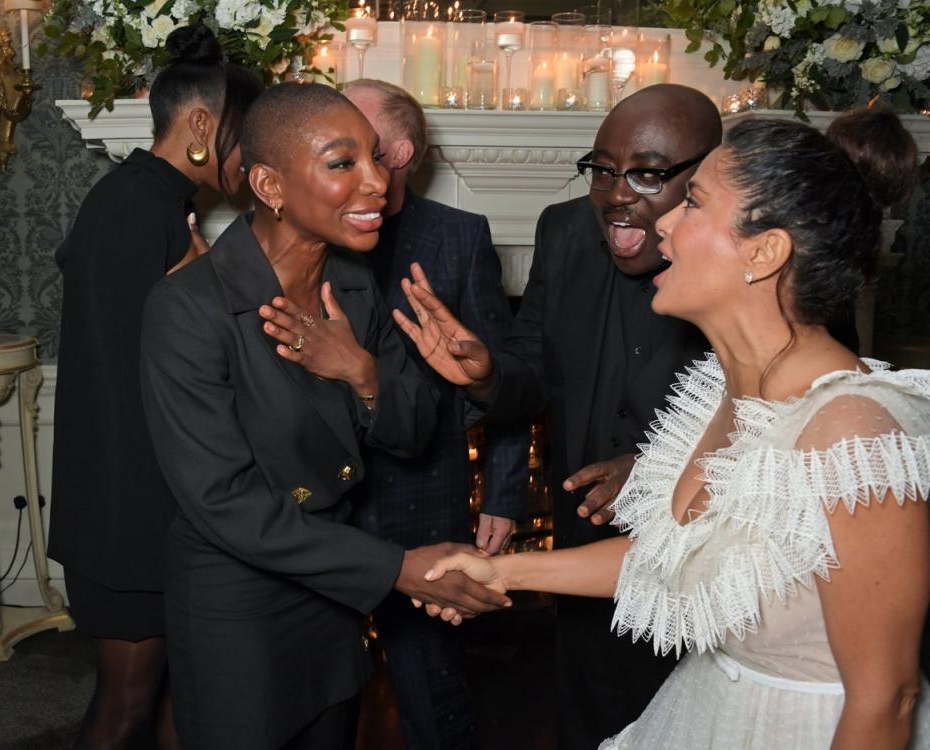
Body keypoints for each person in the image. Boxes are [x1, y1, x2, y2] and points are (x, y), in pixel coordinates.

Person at [417, 110, 930, 749]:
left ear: (764, 252)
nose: (662, 221)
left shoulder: (851, 432)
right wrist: (504, 572)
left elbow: (886, 699)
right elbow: (680, 561)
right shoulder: (721, 389)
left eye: (693, 203)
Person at [137, 82, 509, 750]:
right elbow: (225, 503)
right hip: (240, 609)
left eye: (376, 157)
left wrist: (362, 373)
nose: (378, 181)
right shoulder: (188, 309)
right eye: (344, 163)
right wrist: (396, 567)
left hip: (334, 599)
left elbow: (415, 428)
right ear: (270, 186)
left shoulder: (357, 285)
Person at [389, 83, 716, 747]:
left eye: (649, 173)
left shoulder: (746, 255)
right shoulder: (565, 229)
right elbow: (528, 375)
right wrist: (487, 375)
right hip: (581, 551)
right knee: (590, 714)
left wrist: (657, 469)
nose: (618, 194)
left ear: (709, 176)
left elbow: (779, 409)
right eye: (603, 168)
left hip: (700, 559)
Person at [48, 24, 262, 748]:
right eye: (246, 136)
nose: (254, 155)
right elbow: (121, 371)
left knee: (182, 698)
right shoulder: (132, 206)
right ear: (202, 124)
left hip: (153, 504)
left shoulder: (157, 202)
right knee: (126, 705)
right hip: (126, 512)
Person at [342, 78, 529, 750]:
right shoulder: (308, 226)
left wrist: (503, 495)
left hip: (425, 501)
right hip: (323, 512)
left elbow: (499, 377)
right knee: (324, 696)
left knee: (434, 699)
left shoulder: (458, 235)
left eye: (351, 134)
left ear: (398, 152)